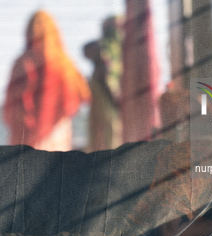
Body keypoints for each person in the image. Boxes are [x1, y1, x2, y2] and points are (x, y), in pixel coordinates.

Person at [3, 10, 91, 151]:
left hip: (27, 137)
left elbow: (12, 106)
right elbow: (82, 95)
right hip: (58, 134)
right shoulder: (65, 63)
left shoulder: (22, 62)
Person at [84, 16, 123, 151]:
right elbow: (105, 73)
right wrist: (113, 95)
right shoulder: (108, 46)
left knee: (99, 129)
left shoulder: (115, 46)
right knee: (109, 127)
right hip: (105, 90)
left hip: (100, 90)